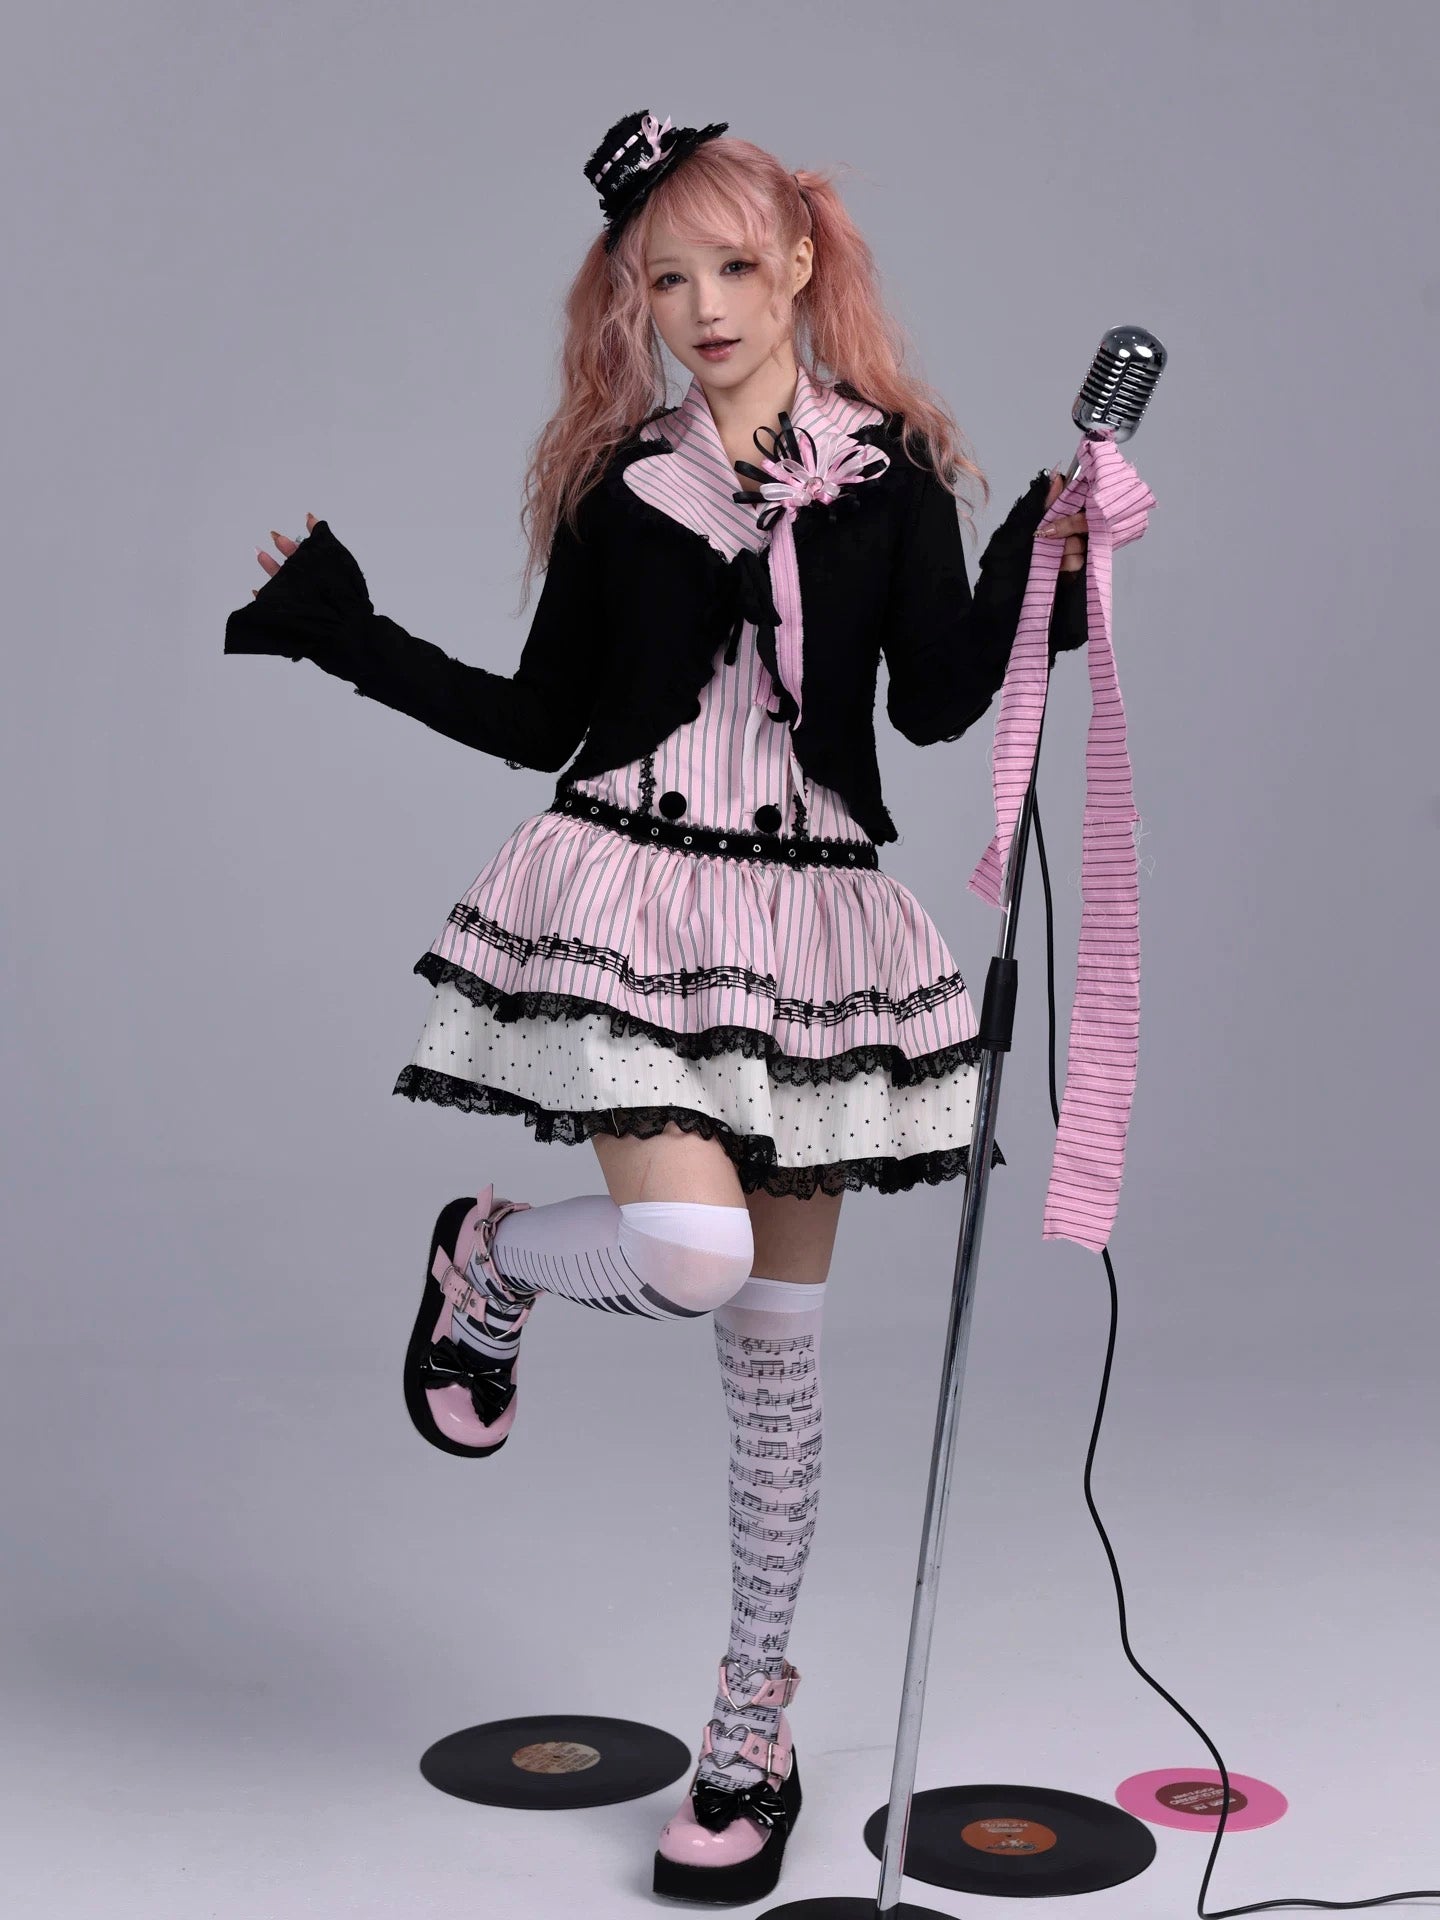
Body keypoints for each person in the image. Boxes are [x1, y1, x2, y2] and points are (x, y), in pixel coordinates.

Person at [223, 107, 1089, 1907]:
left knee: (775, 1354)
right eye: (666, 276)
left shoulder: (892, 479)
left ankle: (751, 1728)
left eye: (734, 267)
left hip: (815, 925)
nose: (705, 305)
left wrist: (1054, 553)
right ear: (636, 292)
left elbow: (937, 700)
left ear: (802, 264)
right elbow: (540, 716)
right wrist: (345, 630)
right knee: (690, 1256)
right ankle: (490, 1259)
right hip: (631, 900)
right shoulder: (626, 488)